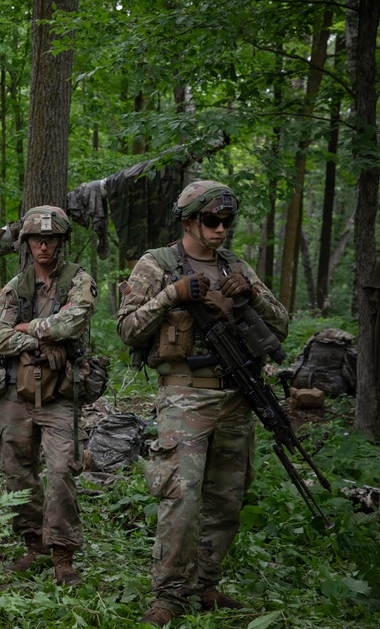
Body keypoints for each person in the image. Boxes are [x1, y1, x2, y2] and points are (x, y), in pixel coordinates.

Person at [116, 181, 288, 626]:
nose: (221, 229)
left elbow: (281, 323)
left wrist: (249, 294)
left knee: (227, 497)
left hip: (236, 396)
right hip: (184, 393)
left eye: (227, 222)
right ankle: (170, 594)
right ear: (189, 220)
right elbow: (128, 328)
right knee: (181, 496)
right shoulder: (157, 264)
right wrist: (170, 295)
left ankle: (205, 582)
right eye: (211, 221)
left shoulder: (237, 266)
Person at [0, 205, 97, 586]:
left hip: (60, 392)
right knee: (16, 469)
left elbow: (74, 320)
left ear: (61, 242)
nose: (44, 246)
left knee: (62, 469)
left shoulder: (78, 281)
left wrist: (28, 327)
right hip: (17, 391)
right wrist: (39, 338)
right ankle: (33, 543)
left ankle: (62, 553)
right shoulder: (14, 287)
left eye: (50, 239)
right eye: (37, 239)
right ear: (26, 243)